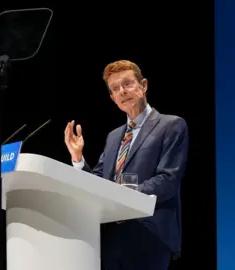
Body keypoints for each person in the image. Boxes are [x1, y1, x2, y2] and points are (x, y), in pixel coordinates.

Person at [64, 60, 189, 270]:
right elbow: (98, 183)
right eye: (115, 89)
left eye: (127, 84)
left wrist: (122, 195)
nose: (122, 91)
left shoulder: (171, 125)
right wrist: (78, 159)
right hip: (112, 238)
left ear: (144, 85)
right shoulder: (114, 137)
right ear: (112, 98)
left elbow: (168, 180)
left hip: (148, 235)